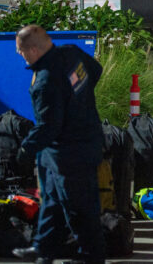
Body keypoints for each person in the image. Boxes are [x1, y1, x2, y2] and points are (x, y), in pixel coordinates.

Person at [12, 25, 105, 264]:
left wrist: (25, 149)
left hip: (69, 154)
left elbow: (48, 127)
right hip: (81, 142)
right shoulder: (72, 53)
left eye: (21, 51)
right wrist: (77, 102)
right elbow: (96, 70)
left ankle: (90, 258)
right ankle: (44, 249)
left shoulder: (46, 81)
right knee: (52, 202)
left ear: (33, 50)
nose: (20, 56)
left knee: (79, 208)